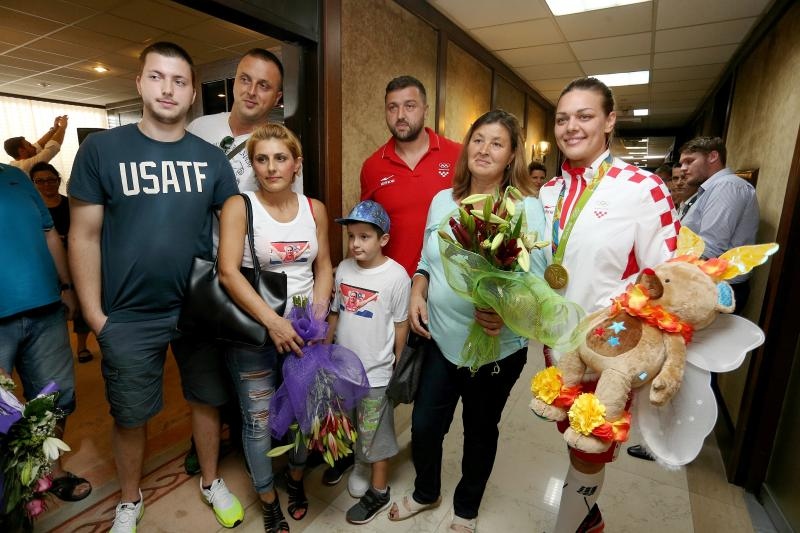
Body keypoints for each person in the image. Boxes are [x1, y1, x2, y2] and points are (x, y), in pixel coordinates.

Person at [68, 42, 244, 532]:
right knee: (130, 414)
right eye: (158, 77)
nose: (168, 89)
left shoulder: (212, 159)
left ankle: (210, 481)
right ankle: (130, 499)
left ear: (192, 96)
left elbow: (235, 223)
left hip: (197, 308)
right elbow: (82, 235)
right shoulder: (102, 150)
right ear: (139, 83)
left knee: (207, 399)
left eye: (180, 81)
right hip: (126, 315)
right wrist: (95, 316)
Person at [387, 109, 546, 533]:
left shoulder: (525, 208)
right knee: (424, 426)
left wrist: (504, 310)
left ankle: (467, 508)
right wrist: (419, 288)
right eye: (478, 139)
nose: (484, 149)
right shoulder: (443, 200)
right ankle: (426, 492)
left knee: (479, 430)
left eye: (497, 143)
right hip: (440, 339)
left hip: (496, 348)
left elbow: (536, 283)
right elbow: (425, 260)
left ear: (512, 155)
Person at [538, 77, 678, 532]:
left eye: (584, 116)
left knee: (590, 444)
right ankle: (587, 517)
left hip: (611, 348)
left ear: (609, 121)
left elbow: (670, 276)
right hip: (557, 343)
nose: (571, 127)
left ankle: (572, 525)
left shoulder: (643, 188)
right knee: (571, 434)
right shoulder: (548, 193)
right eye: (563, 118)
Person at [218, 123, 332, 533]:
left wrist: (317, 319)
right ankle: (267, 500)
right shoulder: (239, 206)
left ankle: (295, 480)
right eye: (261, 159)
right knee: (258, 420)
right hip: (256, 332)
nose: (271, 168)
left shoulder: (313, 208)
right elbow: (228, 272)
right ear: (253, 165)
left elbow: (324, 266)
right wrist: (273, 322)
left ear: (296, 163)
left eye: (280, 158)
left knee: (304, 413)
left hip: (304, 330)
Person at [0, 162, 92, 503]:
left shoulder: (15, 177)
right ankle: (10, 486)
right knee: (1, 409)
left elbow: (49, 232)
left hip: (45, 308)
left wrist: (67, 286)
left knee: (54, 399)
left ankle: (51, 470)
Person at [327, 200, 410, 524]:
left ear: (383, 239)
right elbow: (336, 313)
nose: (356, 244)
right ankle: (356, 462)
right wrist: (323, 349)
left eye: (365, 237)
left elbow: (400, 324)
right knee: (348, 422)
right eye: (352, 237)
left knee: (374, 431)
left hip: (375, 374)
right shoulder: (344, 269)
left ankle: (379, 489)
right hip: (342, 369)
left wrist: (396, 363)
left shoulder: (396, 277)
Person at [360, 75, 461, 277]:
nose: (400, 115)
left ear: (425, 109)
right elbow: (364, 227)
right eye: (392, 107)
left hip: (446, 285)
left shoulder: (458, 155)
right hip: (393, 284)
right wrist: (352, 270)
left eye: (410, 106)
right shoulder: (372, 166)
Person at [188, 48, 302, 193]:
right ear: (234, 83)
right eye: (245, 80)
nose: (251, 91)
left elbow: (291, 210)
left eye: (263, 85)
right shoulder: (198, 127)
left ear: (276, 98)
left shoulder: (283, 148)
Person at [679, 136, 758, 310]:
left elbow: (711, 247)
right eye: (682, 163)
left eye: (689, 161)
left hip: (719, 287)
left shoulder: (727, 186)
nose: (683, 168)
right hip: (708, 282)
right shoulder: (713, 188)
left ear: (713, 156)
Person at [30, 162, 94, 363]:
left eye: (50, 180)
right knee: (51, 310)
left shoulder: (71, 205)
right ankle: (55, 350)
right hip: (46, 267)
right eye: (40, 181)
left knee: (82, 306)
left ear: (58, 180)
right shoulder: (32, 211)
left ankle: (82, 346)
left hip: (76, 262)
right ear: (33, 184)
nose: (46, 185)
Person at [5, 115, 69, 175]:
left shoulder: (17, 163)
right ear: (22, 151)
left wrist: (54, 129)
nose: (34, 147)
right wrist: (63, 127)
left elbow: (38, 145)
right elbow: (51, 148)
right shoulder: (24, 167)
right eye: (29, 145)